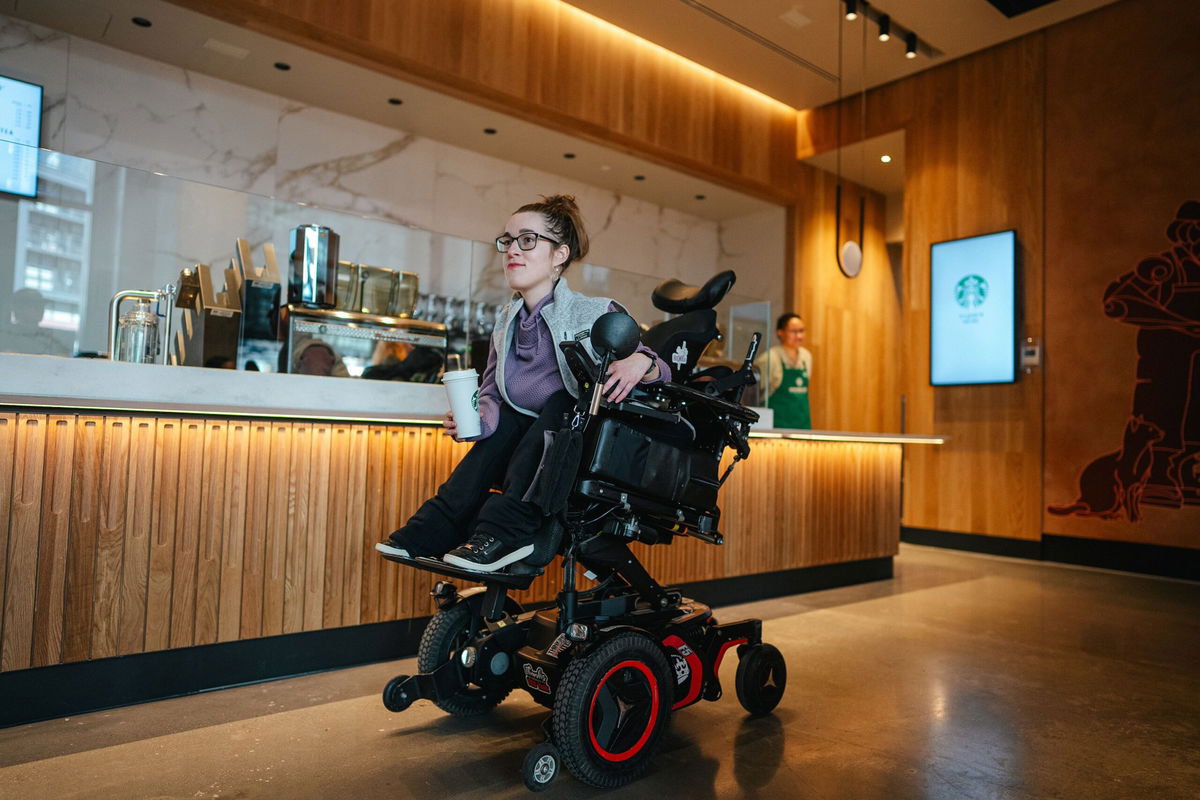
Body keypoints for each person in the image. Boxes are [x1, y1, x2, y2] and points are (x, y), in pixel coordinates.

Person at [377, 195, 670, 572]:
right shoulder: (506, 320)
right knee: (509, 424)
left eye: (527, 240)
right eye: (507, 240)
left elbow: (661, 370)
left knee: (562, 402)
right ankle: (433, 529)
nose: (512, 250)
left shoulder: (595, 312)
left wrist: (640, 361)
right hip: (527, 441)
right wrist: (478, 416)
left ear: (559, 254)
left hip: (581, 440)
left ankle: (507, 533)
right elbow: (494, 392)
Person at [756, 312, 812, 429]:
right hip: (775, 428)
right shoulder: (769, 358)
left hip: (803, 427)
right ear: (780, 332)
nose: (799, 336)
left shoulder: (806, 356)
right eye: (794, 331)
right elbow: (756, 395)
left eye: (801, 331)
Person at [0, 288, 71, 356]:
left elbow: (64, 358)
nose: (40, 310)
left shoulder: (49, 337)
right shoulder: (5, 335)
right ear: (19, 308)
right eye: (34, 306)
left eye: (41, 306)